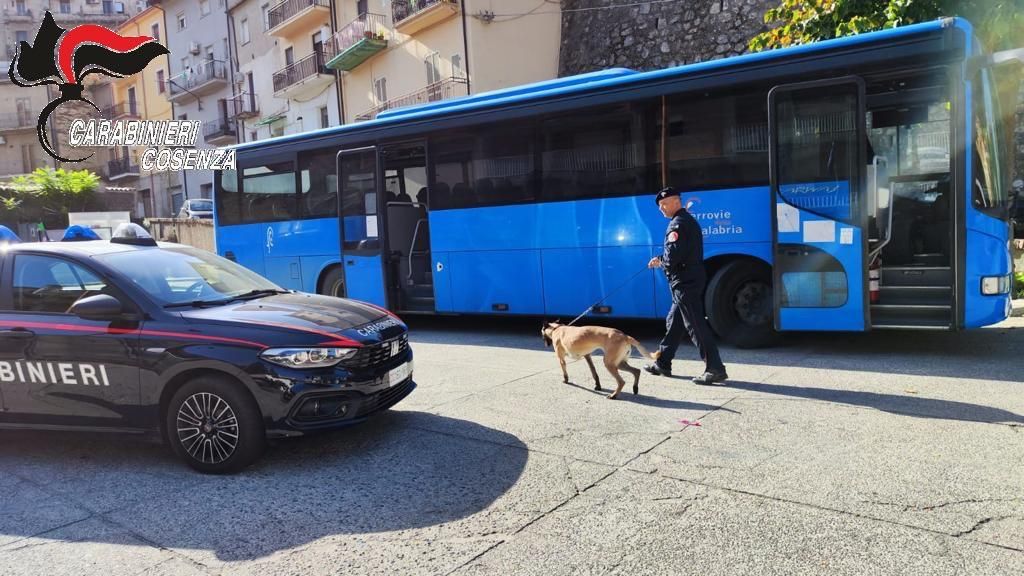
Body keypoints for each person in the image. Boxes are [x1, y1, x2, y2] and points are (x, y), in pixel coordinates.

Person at [644, 187, 728, 385]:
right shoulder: (685, 221)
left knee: (695, 325)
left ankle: (715, 368)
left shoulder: (678, 224)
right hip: (688, 279)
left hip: (685, 281)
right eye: (659, 206)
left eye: (664, 204)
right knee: (675, 322)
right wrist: (661, 258)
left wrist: (661, 260)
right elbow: (680, 252)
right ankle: (663, 362)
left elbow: (673, 257)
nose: (661, 209)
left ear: (676, 202)